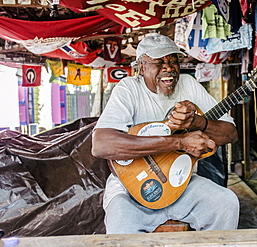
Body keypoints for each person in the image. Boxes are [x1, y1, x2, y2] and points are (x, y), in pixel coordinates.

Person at [91, 34, 240, 234]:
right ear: (141, 67)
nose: (168, 68)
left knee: (226, 203)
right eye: (158, 62)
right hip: (131, 190)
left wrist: (197, 122)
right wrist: (178, 142)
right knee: (121, 226)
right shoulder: (128, 88)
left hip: (183, 185)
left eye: (173, 61)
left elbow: (231, 134)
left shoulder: (188, 84)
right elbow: (101, 144)